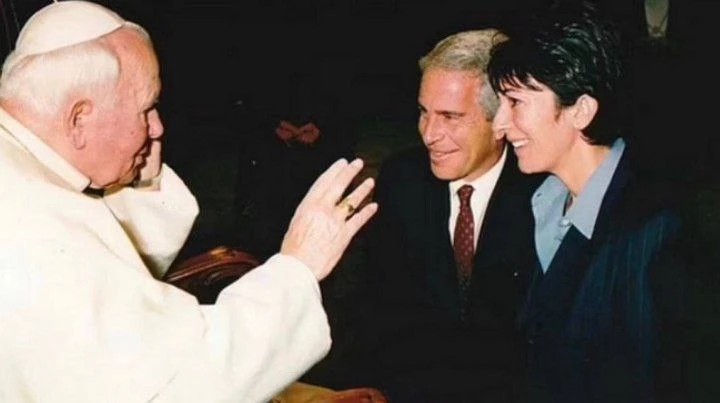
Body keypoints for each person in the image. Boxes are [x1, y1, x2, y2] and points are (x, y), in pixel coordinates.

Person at [0, 1, 376, 402]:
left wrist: (142, 187)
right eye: (146, 109)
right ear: (78, 120)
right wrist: (298, 267)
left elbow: (111, 284)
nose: (157, 128)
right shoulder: (34, 231)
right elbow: (182, 382)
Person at [488, 1, 689, 401]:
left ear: (580, 110)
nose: (498, 125)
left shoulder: (654, 233)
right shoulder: (539, 203)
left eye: (515, 103)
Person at [343, 29, 543, 402]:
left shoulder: (544, 193)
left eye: (450, 116)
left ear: (500, 119)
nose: (429, 134)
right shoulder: (401, 179)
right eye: (424, 112)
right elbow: (376, 306)